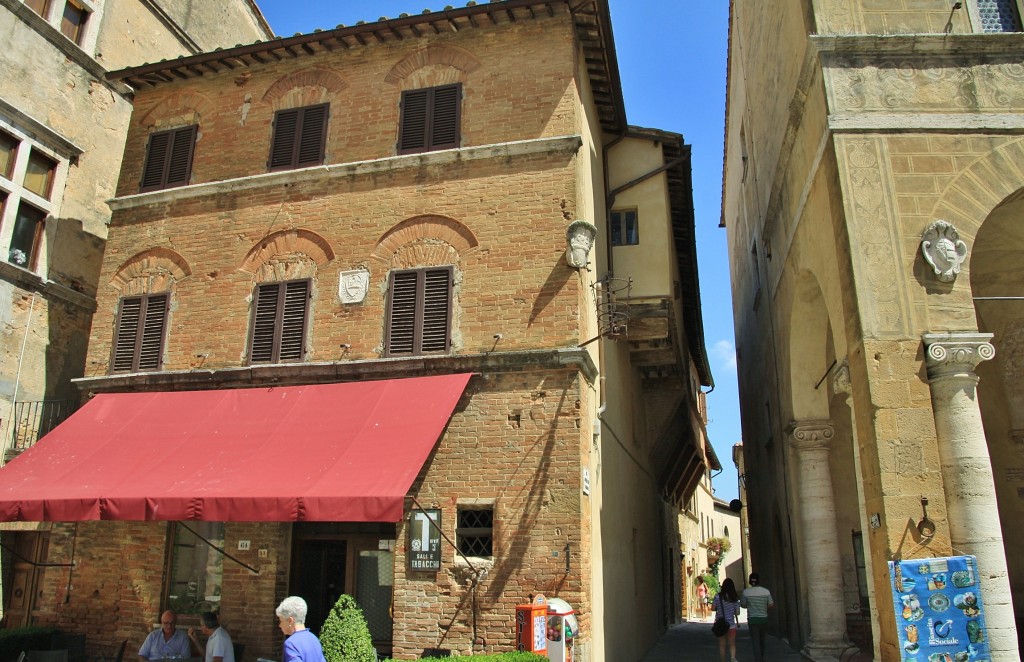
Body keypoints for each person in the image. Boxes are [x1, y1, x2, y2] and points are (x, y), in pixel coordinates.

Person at [275, 596, 326, 662]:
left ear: (290, 621)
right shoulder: (313, 638)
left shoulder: (291, 643)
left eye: (281, 621)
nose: (280, 625)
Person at [741, 572, 775, 662]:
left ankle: (758, 659)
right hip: (763, 618)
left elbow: (743, 605)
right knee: (762, 640)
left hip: (752, 619)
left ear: (749, 582)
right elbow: (771, 604)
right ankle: (761, 657)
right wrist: (764, 607)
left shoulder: (746, 592)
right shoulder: (766, 591)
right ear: (759, 581)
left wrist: (750, 606)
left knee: (755, 640)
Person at [712, 577, 741, 662]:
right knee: (732, 644)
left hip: (721, 624)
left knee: (722, 645)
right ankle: (732, 658)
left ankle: (723, 661)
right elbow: (738, 612)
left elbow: (713, 608)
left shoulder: (718, 596)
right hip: (731, 625)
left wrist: (719, 607)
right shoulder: (734, 598)